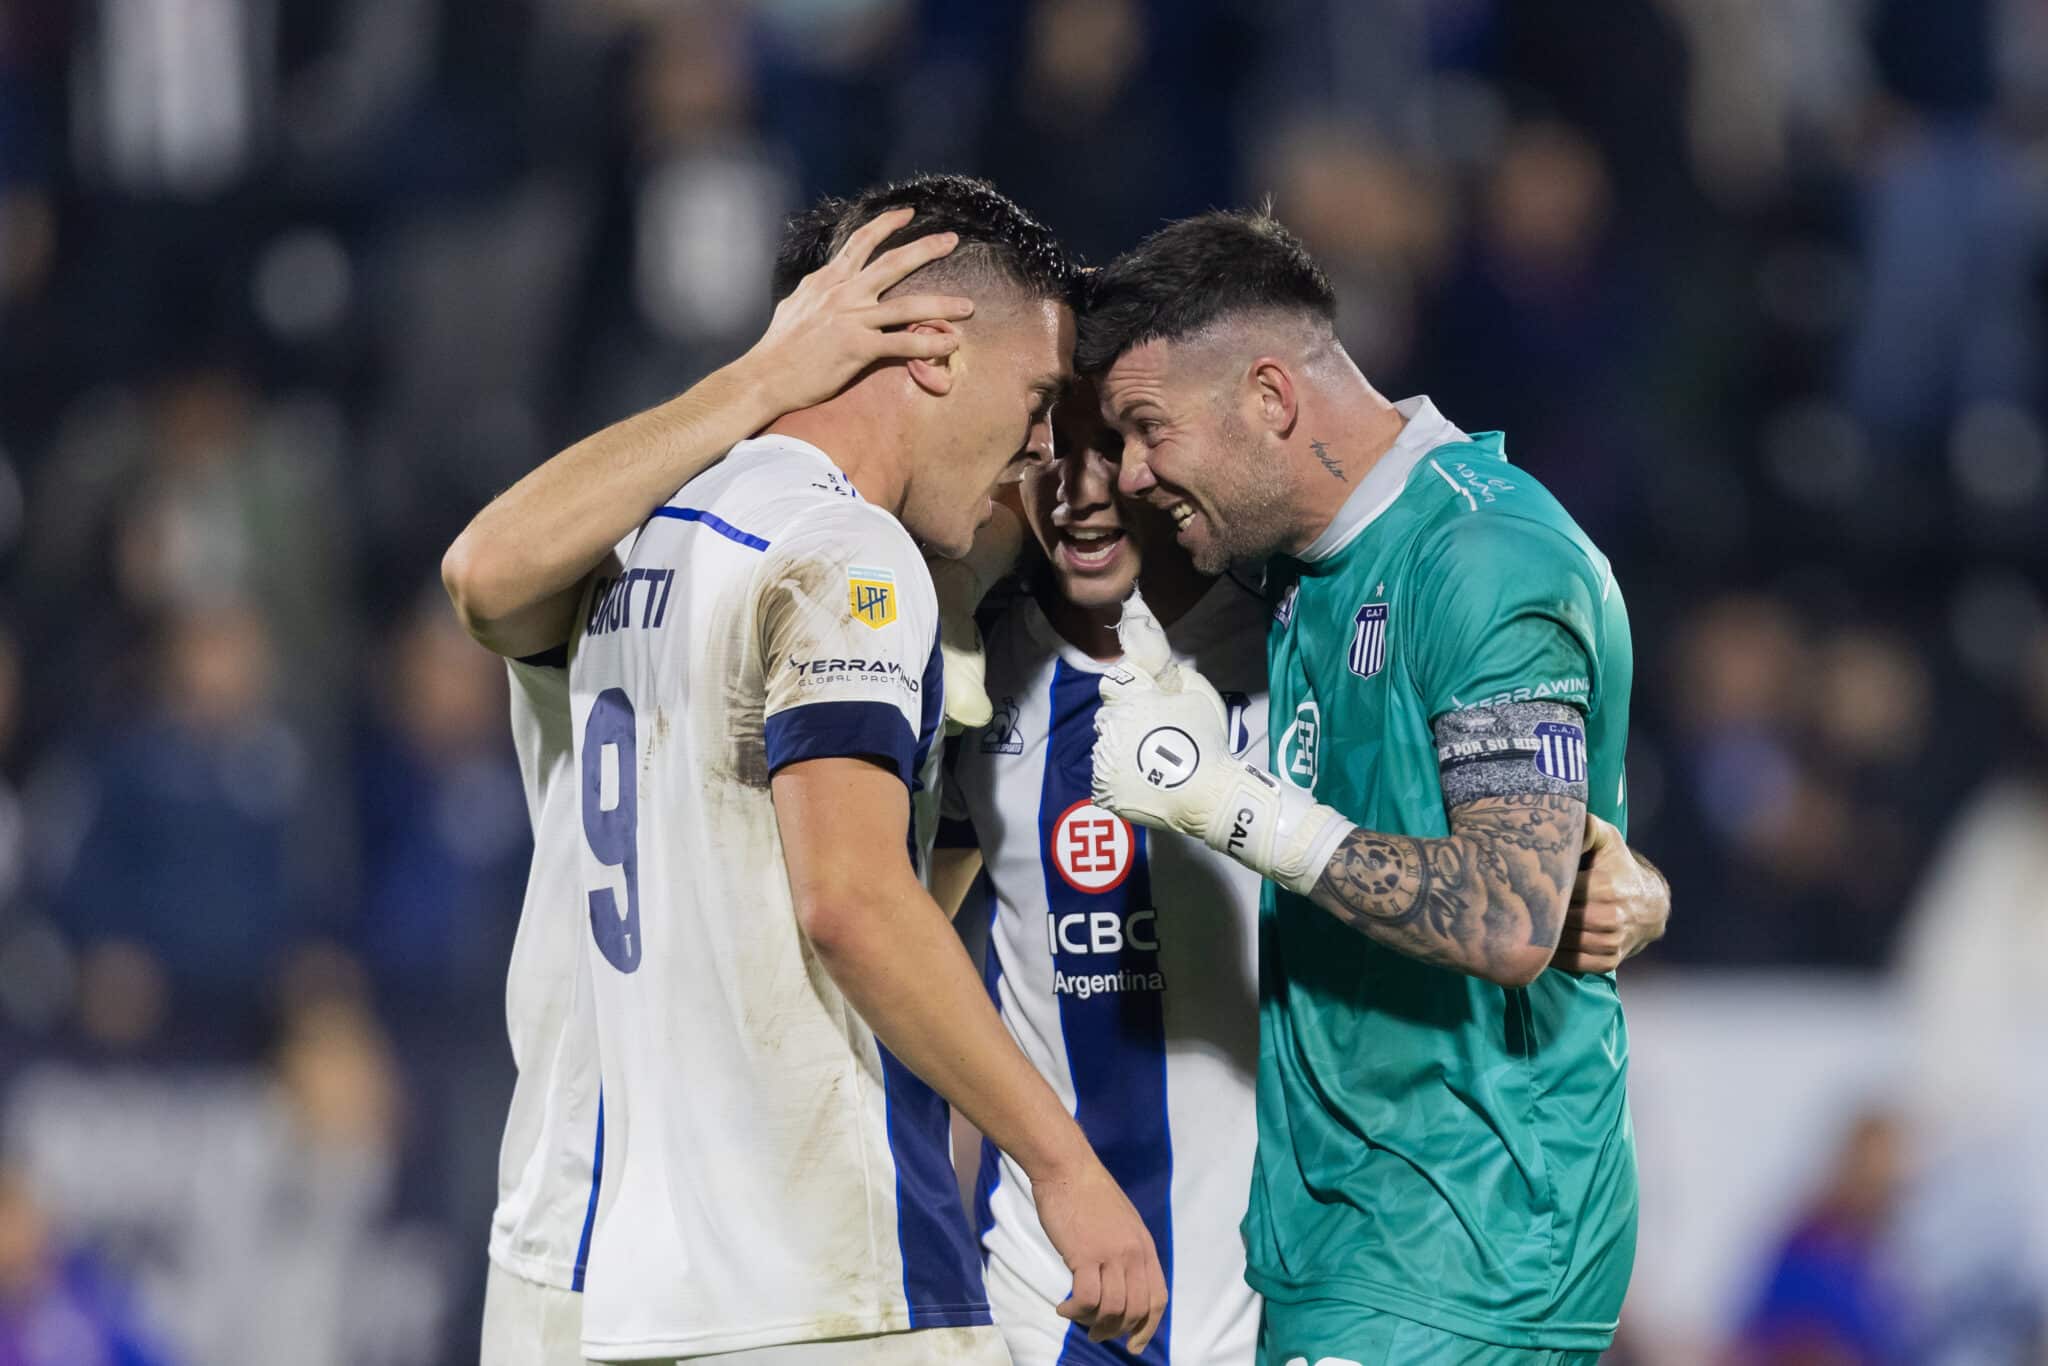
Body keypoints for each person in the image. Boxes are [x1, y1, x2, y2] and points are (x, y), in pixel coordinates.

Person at [481, 173, 1168, 1365]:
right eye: (1041, 397)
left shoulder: (634, 528)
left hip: (600, 1272)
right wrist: (1063, 1165)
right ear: (933, 348)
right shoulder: (847, 554)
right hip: (817, 1272)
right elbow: (849, 902)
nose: (1042, 453)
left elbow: (487, 576)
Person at [934, 382, 1668, 1366]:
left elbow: (1492, 859)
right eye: (1048, 453)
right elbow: (902, 924)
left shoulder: (1308, 636)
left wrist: (1636, 887)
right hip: (1053, 1289)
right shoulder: (976, 666)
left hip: (1301, 1289)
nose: (1080, 488)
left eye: (1115, 447)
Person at [1077, 210, 1641, 1364]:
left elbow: (1510, 913)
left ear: (1269, 398)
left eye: (1146, 429)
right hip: (1348, 1237)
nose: (1132, 472)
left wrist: (1229, 804)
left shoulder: (1487, 562)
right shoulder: (1305, 558)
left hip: (1467, 1234)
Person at [447, 205, 993, 1365]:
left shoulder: (652, 547)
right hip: (717, 1255)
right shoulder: (754, 544)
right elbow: (482, 570)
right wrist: (758, 378)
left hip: (576, 1234)